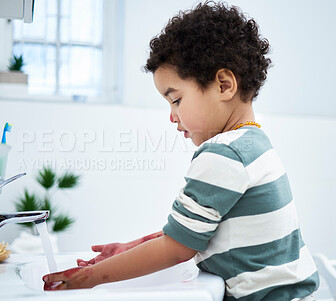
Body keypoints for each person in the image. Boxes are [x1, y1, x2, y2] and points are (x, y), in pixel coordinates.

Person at [43, 1, 320, 299]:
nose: (172, 116)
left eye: (176, 100)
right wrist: (128, 249)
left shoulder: (223, 152)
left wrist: (90, 277)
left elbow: (177, 249)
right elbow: (191, 232)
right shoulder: (254, 144)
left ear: (224, 85)